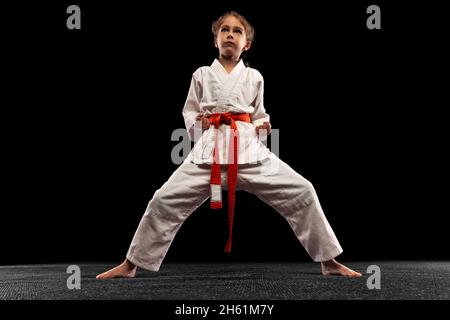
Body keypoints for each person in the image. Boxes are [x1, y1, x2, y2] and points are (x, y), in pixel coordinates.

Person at [96, 11, 362, 279]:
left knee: (302, 190)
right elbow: (189, 112)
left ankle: (328, 261)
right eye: (224, 30)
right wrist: (198, 122)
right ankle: (130, 264)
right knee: (162, 200)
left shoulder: (254, 77)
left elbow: (259, 114)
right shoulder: (201, 74)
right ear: (215, 40)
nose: (230, 35)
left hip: (247, 150)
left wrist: (263, 126)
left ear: (246, 44)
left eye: (237, 31)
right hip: (208, 153)